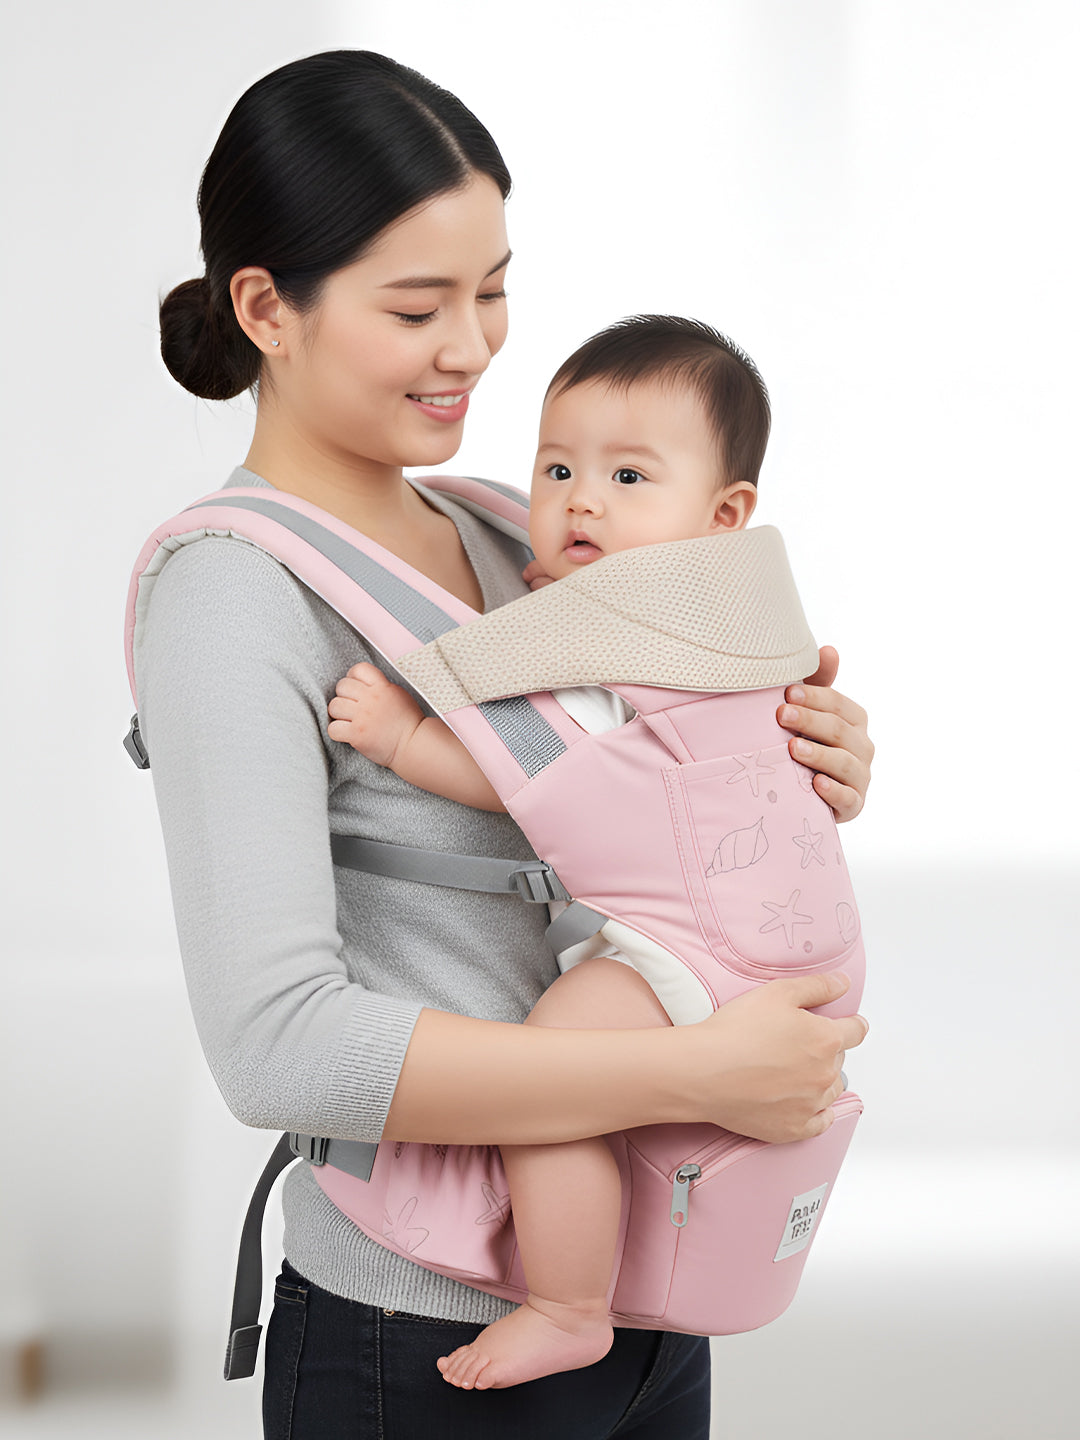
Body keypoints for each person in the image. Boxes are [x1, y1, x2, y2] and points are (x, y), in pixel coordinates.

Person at [142, 51, 873, 1440]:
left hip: (657, 1297)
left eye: (491, 290)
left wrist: (799, 758)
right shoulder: (233, 593)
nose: (475, 346)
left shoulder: (518, 531)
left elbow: (651, 801)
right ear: (265, 310)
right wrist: (688, 1074)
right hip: (411, 1337)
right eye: (419, 305)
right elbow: (277, 1048)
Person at [326, 313, 845, 1391]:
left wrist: (403, 737)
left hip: (695, 949)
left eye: (627, 475)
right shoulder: (739, 627)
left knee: (555, 1071)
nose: (582, 500)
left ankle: (569, 1303)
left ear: (725, 515)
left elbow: (539, 769)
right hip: (796, 940)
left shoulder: (613, 629)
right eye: (558, 466)